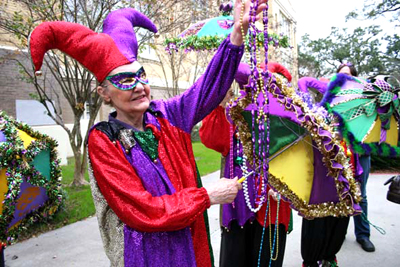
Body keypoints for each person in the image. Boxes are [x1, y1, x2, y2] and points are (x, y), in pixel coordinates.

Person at [28, 1, 267, 266]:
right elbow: (142, 211)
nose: (140, 87)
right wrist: (206, 196)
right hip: (147, 258)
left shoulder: (168, 115)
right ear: (104, 93)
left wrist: (237, 33)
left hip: (191, 249)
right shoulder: (104, 140)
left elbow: (208, 87)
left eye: (141, 76)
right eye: (126, 80)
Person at [200, 62, 291, 267]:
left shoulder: (288, 124)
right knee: (235, 259)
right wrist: (220, 101)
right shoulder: (235, 117)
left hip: (273, 209)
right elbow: (212, 138)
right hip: (238, 206)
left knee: (268, 259)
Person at [337, 63, 375, 252]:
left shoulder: (366, 98)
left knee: (361, 195)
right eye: (340, 74)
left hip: (361, 154)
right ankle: (338, 233)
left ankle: (363, 235)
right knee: (339, 193)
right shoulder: (333, 100)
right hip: (339, 154)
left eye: (347, 74)